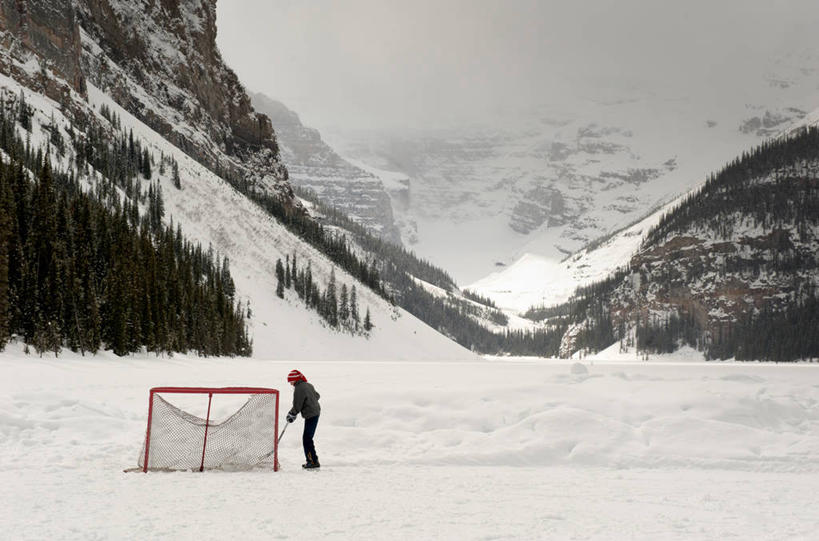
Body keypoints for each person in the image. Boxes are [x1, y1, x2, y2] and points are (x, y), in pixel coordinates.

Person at [286, 369, 321, 469]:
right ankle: (313, 460)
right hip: (315, 412)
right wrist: (310, 401)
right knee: (308, 438)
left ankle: (312, 461)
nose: (290, 384)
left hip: (311, 414)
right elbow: (317, 396)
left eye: (291, 381)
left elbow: (297, 404)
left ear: (295, 379)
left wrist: (291, 414)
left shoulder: (299, 388)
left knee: (307, 439)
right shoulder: (308, 385)